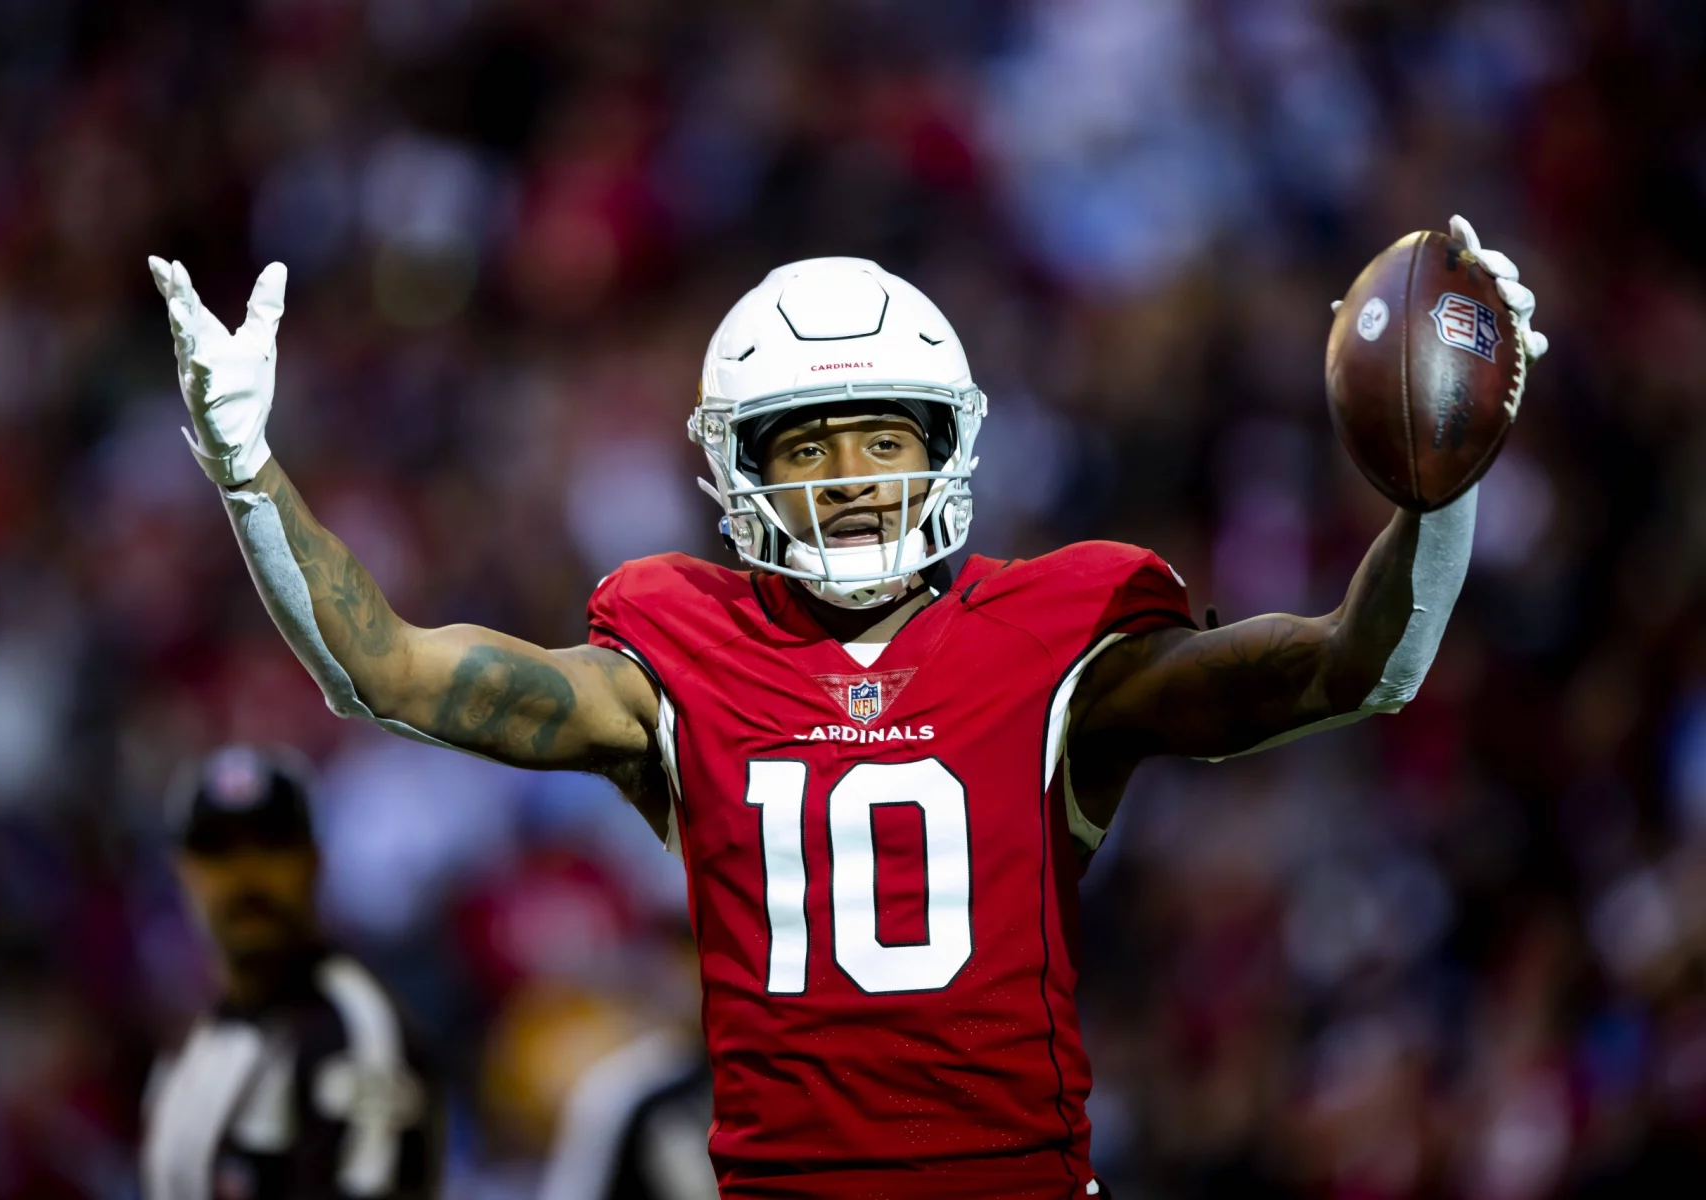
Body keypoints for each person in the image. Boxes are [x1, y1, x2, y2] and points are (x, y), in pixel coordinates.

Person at [147, 221, 1545, 1199]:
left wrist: (1444, 486)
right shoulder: (675, 654)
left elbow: (1361, 664)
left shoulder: (1058, 640)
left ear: (948, 445)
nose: (853, 478)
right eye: (808, 446)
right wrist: (249, 471)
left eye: (883, 437)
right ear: (737, 469)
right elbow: (381, 672)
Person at [143, 745, 442, 1200]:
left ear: (316, 861)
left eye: (272, 843)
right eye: (218, 849)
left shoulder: (357, 1034)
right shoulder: (200, 1044)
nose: (247, 875)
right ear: (182, 871)